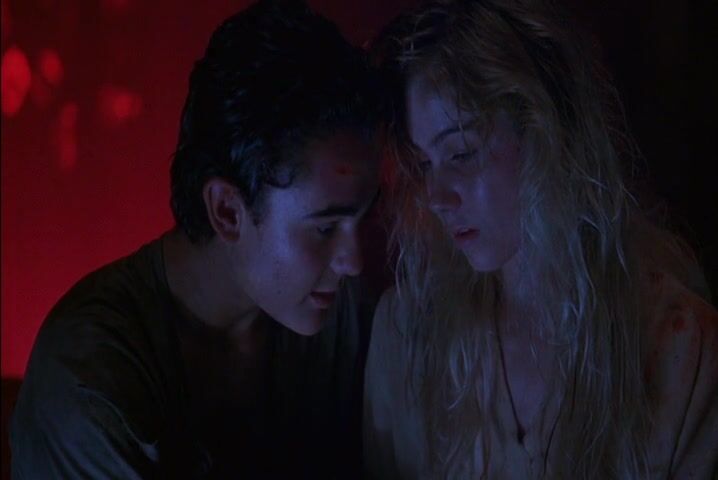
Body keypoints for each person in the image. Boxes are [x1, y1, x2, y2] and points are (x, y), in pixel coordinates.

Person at [11, 0, 382, 477]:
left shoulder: (348, 316)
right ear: (227, 211)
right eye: (325, 228)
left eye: (365, 216)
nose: (353, 259)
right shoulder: (88, 378)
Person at [363, 0, 718, 478]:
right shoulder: (408, 335)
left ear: (548, 131)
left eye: (461, 152)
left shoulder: (680, 350)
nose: (436, 197)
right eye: (424, 164)